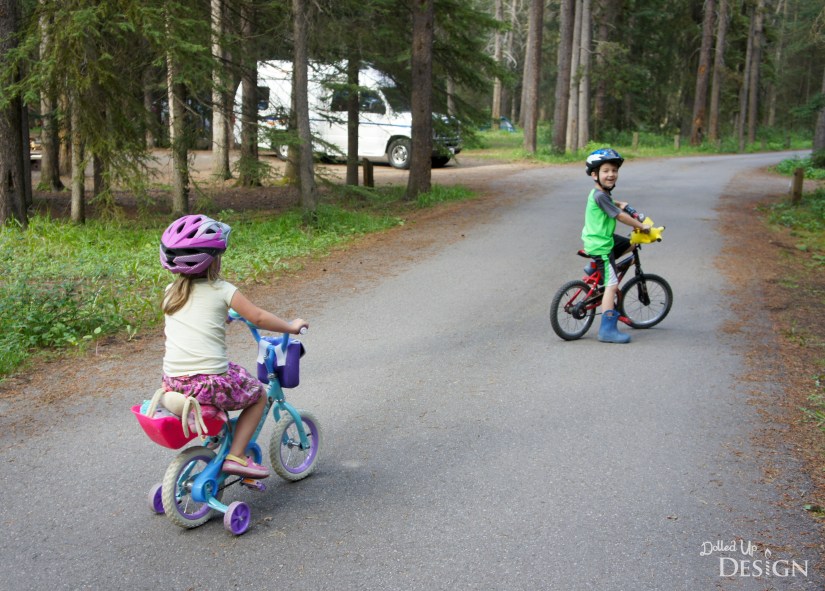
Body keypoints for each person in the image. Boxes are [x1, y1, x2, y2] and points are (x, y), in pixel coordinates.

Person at [159, 214, 308, 478]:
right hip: (210, 380)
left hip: (174, 381)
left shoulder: (172, 290)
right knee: (258, 395)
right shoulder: (223, 290)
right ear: (214, 259)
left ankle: (211, 425)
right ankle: (237, 455)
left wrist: (223, 316)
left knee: (228, 382)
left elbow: (195, 316)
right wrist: (290, 326)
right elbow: (258, 317)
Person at [581, 148, 650, 344]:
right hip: (602, 246)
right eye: (605, 171)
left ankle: (596, 269)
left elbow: (612, 203)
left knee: (630, 242)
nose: (611, 174)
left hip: (601, 239)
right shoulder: (601, 196)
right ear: (594, 174)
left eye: (614, 170)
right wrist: (640, 226)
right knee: (611, 286)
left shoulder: (600, 193)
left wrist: (620, 203)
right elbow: (619, 216)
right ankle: (607, 330)